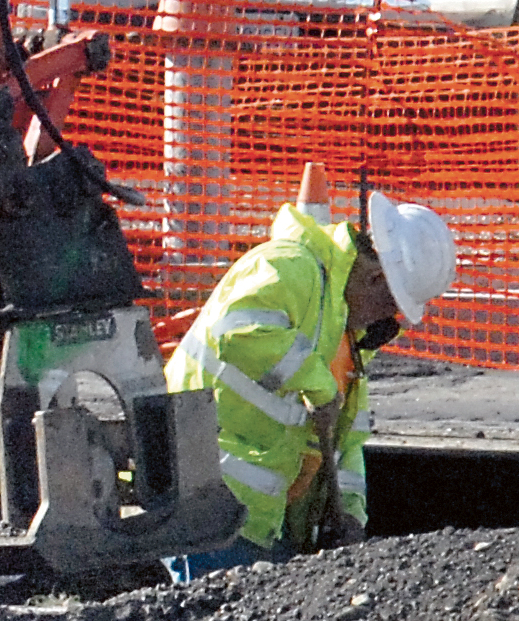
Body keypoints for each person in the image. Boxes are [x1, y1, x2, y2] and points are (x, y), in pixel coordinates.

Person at [164, 187, 458, 579]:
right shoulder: (291, 266)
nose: (386, 322)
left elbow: (346, 437)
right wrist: (317, 384)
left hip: (264, 522)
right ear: (373, 277)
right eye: (391, 307)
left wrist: (351, 512)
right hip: (207, 503)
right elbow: (239, 330)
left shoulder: (346, 338)